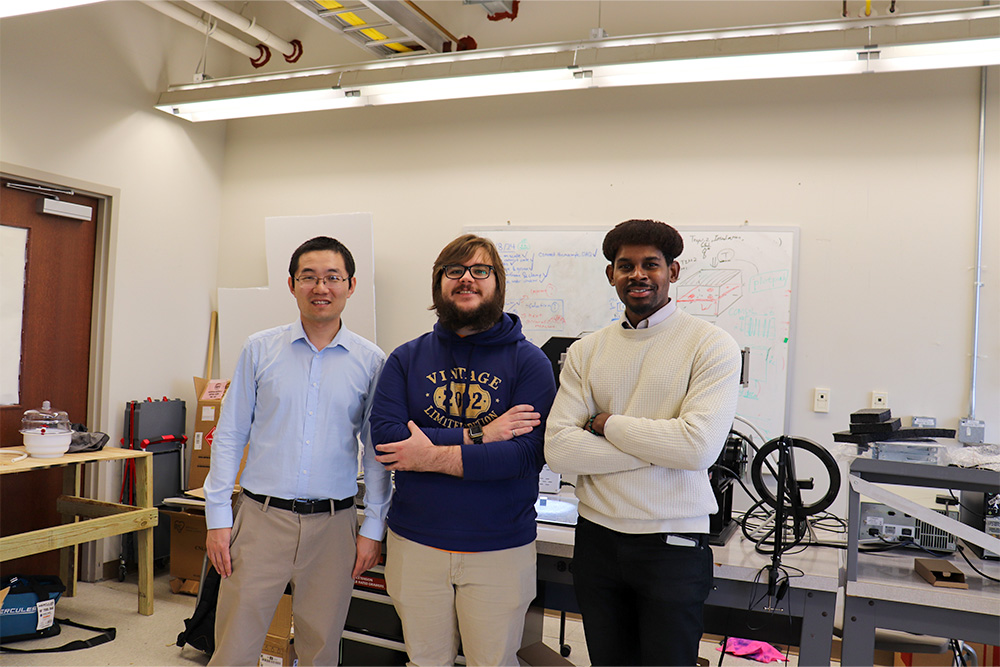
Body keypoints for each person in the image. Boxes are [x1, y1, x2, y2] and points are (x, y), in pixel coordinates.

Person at [544, 219, 741, 666]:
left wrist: (607, 422)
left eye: (650, 264)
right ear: (610, 274)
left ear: (673, 270)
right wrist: (658, 449)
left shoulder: (710, 346)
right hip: (596, 541)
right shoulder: (586, 351)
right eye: (625, 265)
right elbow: (558, 450)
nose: (638, 274)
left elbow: (696, 448)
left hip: (671, 544)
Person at [370, 234, 557, 667]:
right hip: (415, 543)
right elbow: (389, 441)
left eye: (479, 270)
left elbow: (526, 456)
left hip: (500, 548)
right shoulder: (406, 358)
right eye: (453, 271)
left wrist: (428, 454)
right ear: (439, 284)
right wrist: (480, 435)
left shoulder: (530, 362)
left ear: (498, 282)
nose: (466, 279)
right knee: (423, 661)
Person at [203, 236, 391, 666]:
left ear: (351, 285)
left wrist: (373, 526)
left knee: (321, 647)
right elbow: (230, 435)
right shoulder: (259, 349)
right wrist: (218, 518)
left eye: (332, 278)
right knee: (235, 644)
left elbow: (376, 452)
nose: (320, 287)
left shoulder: (371, 361)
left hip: (334, 524)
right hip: (261, 520)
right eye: (308, 277)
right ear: (291, 284)